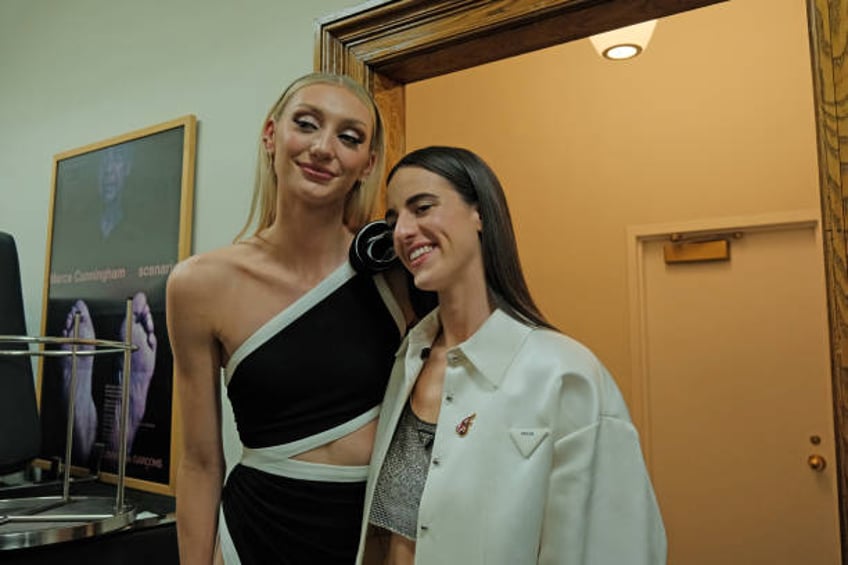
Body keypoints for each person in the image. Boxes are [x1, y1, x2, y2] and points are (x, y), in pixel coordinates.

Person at [356, 146, 666, 565]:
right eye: (394, 220)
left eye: (423, 207)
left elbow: (617, 547)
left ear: (479, 213)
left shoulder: (565, 374)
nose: (403, 231)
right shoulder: (407, 360)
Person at [166, 72, 412, 565]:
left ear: (367, 164)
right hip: (253, 536)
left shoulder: (395, 274)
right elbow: (198, 460)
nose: (324, 148)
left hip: (370, 538)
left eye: (349, 137)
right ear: (271, 135)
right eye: (307, 124)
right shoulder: (199, 285)